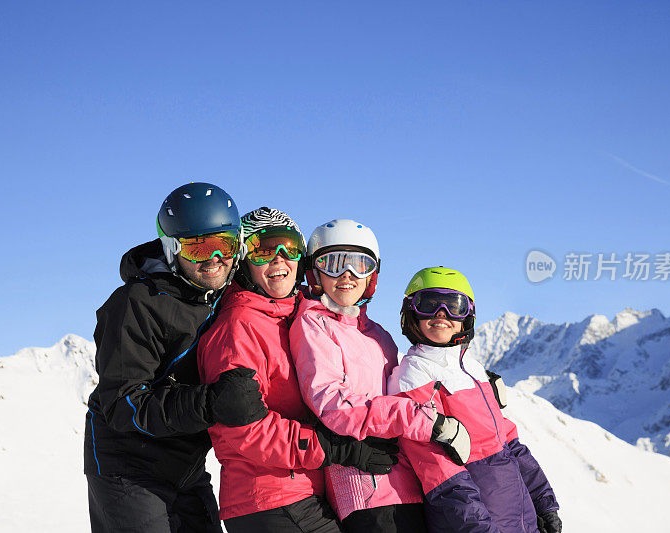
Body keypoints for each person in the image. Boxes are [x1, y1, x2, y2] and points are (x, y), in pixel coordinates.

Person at [197, 208, 398, 533]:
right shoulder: (238, 328)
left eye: (288, 247)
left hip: (306, 493)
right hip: (268, 499)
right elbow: (245, 431)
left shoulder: (298, 317)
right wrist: (331, 447)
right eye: (262, 249)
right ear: (243, 262)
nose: (278, 259)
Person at [84, 183, 269, 533]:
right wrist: (211, 403)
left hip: (186, 465)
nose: (214, 259)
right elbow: (123, 403)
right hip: (128, 465)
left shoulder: (225, 296)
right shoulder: (135, 304)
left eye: (224, 244)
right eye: (197, 247)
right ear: (171, 249)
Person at [289, 219, 471, 533]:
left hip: (410, 483)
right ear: (315, 272)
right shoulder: (313, 324)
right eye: (332, 263)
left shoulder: (379, 335)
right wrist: (421, 420)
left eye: (360, 264)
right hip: (365, 490)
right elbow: (332, 403)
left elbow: (408, 391)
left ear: (372, 275)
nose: (347, 275)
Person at [389, 267, 562, 533]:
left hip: (519, 516)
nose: (441, 314)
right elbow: (437, 469)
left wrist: (544, 504)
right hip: (473, 522)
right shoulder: (412, 375)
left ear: (467, 316)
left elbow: (509, 442)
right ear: (411, 312)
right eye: (429, 304)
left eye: (454, 307)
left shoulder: (472, 368)